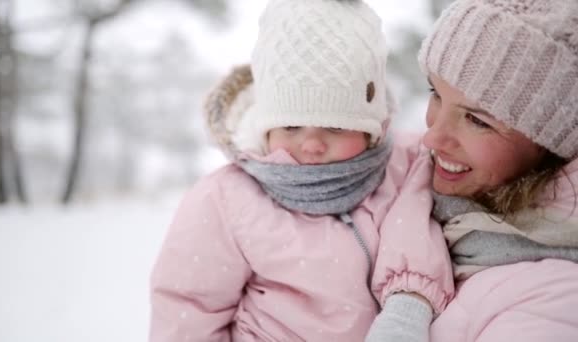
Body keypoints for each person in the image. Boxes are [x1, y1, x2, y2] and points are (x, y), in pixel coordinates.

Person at [149, 0, 453, 341]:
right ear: (265, 128)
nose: (311, 144)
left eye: (334, 127)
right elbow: (189, 312)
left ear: (371, 130)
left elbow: (418, 238)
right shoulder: (226, 199)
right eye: (291, 126)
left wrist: (406, 314)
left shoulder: (405, 167)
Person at [414, 0, 578, 340]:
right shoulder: (410, 172)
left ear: (550, 143)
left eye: (476, 120)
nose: (432, 136)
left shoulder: (554, 299)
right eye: (435, 93)